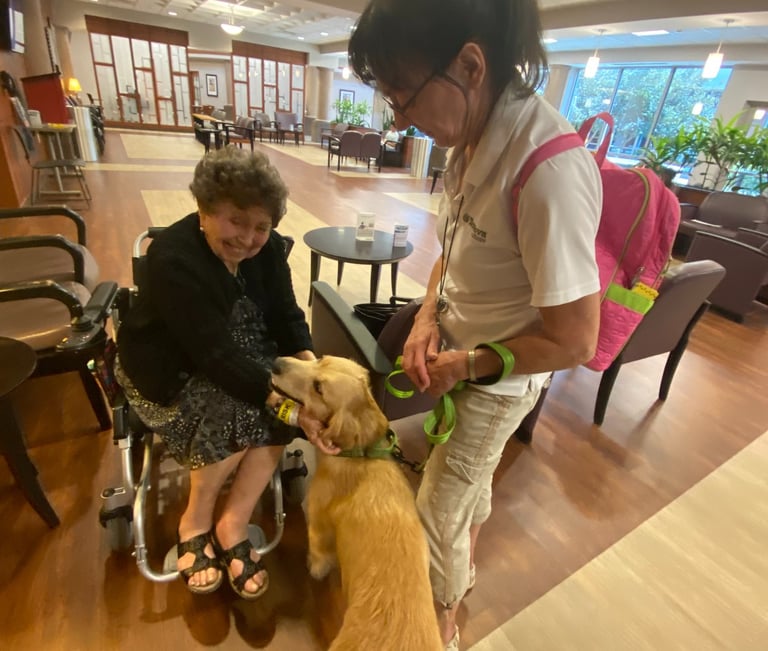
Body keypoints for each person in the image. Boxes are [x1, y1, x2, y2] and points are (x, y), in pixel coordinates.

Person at [349, 1, 602, 648]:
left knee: (433, 512)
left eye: (403, 94)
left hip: (499, 381)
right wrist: (428, 316)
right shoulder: (467, 140)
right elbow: (454, 255)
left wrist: (473, 363)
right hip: (458, 356)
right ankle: (459, 579)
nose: (397, 117)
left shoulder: (547, 172)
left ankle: (437, 630)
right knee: (461, 491)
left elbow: (576, 339)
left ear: (470, 64)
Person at [115, 146, 323, 599]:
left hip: (238, 353)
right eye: (236, 220)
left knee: (279, 397)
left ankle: (232, 523)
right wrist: (289, 406)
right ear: (204, 211)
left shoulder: (267, 251)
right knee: (245, 406)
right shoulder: (174, 259)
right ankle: (195, 519)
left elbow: (287, 317)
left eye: (261, 226)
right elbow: (213, 355)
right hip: (168, 368)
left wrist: (311, 377)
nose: (248, 238)